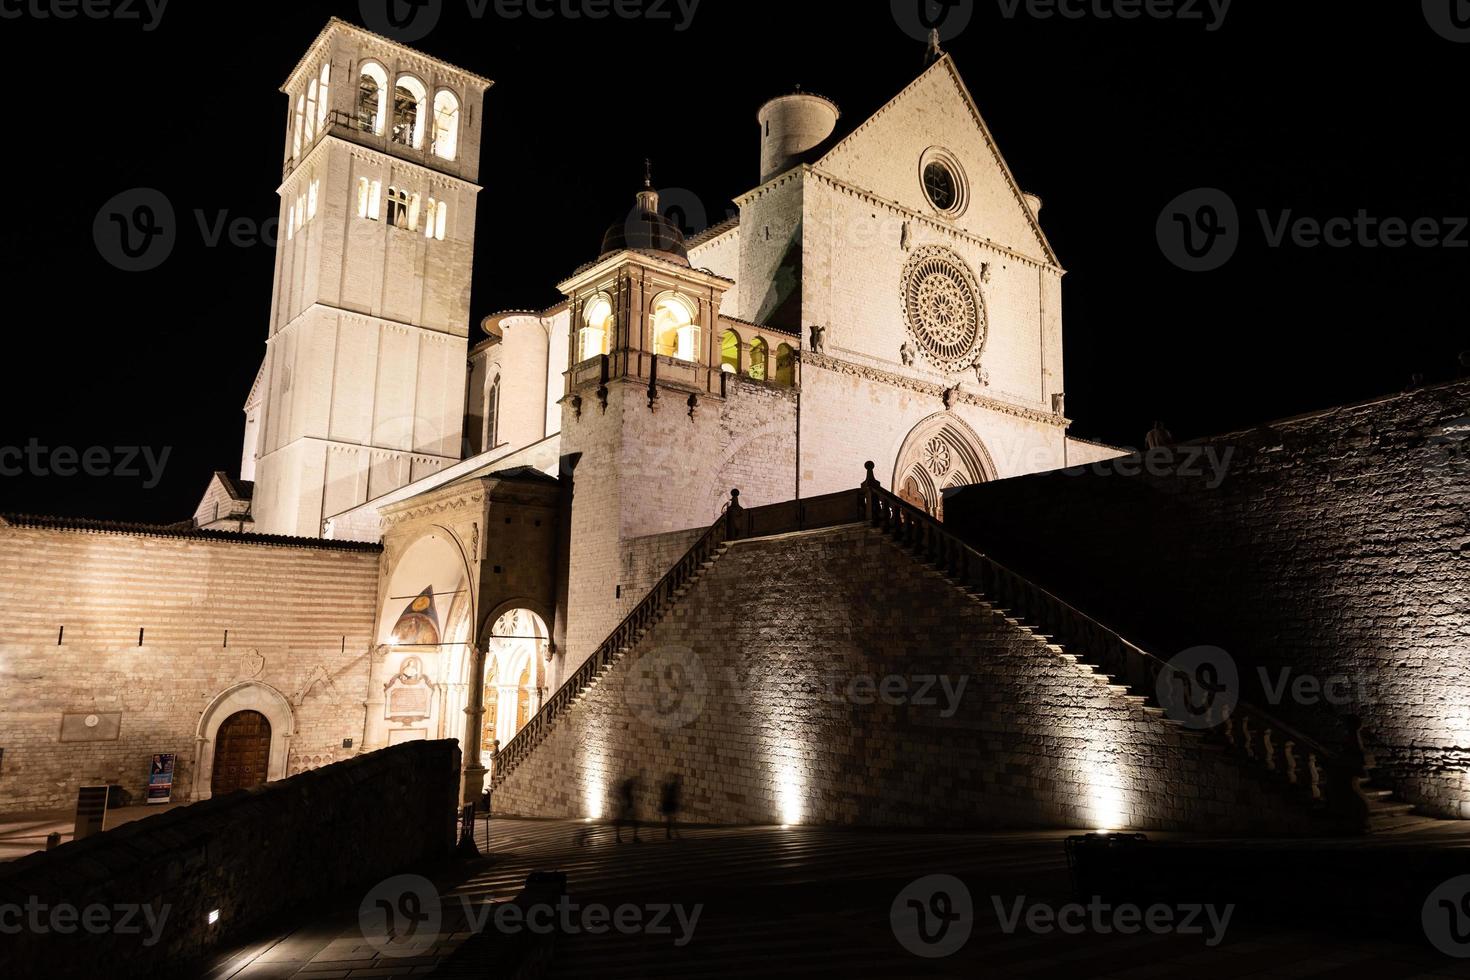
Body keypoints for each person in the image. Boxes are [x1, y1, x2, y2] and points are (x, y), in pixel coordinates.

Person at [614, 774, 640, 843]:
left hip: (626, 807)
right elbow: (625, 799)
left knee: (633, 822)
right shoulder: (626, 789)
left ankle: (618, 837)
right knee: (621, 821)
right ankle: (619, 837)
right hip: (626, 807)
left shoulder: (626, 789)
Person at [659, 775, 683, 839]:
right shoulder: (674, 786)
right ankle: (674, 834)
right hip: (670, 805)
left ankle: (669, 834)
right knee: (672, 820)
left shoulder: (671, 785)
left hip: (669, 804)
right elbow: (674, 796)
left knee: (670, 820)